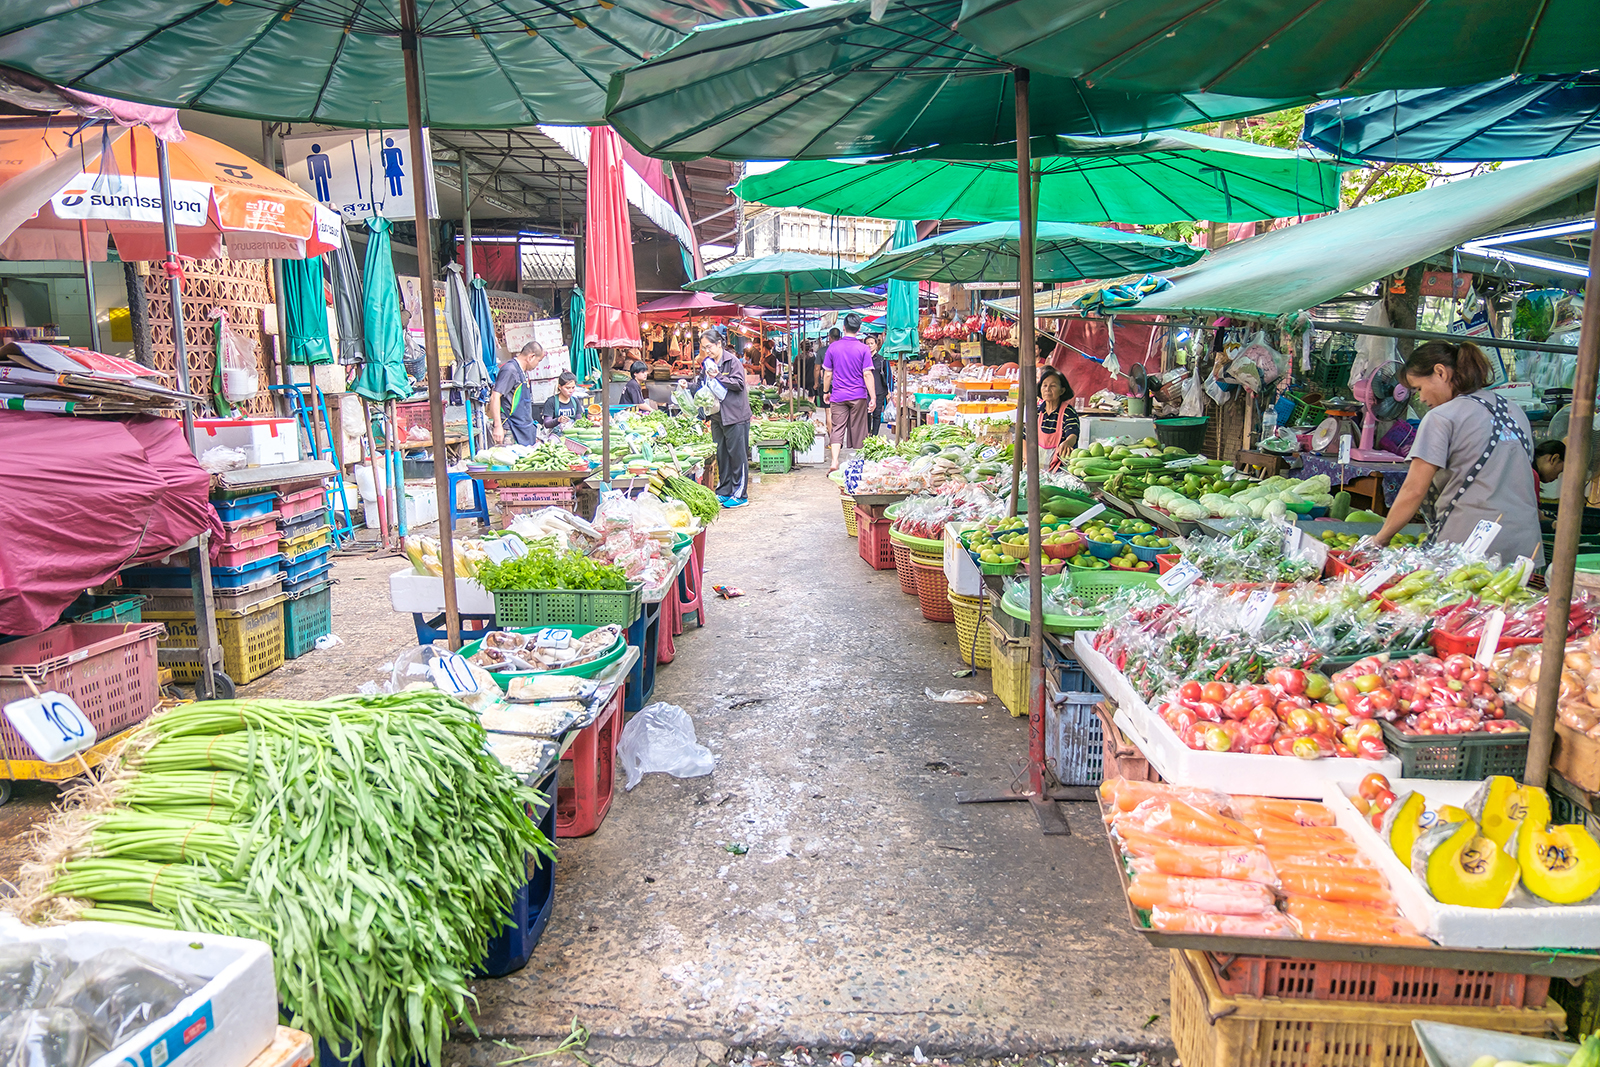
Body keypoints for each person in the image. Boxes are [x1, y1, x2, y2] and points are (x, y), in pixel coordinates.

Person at [1373, 341, 1542, 562]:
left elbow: (1413, 490)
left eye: (1419, 389)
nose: (1421, 398)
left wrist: (1380, 540)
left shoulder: (1441, 417)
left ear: (1440, 372)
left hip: (1468, 550)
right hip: (1526, 549)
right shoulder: (1516, 412)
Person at [699, 329, 751, 508]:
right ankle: (724, 490)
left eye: (709, 347)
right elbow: (702, 384)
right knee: (722, 455)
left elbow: (738, 384)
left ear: (719, 344)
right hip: (717, 416)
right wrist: (687, 386)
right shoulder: (708, 363)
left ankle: (740, 495)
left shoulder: (732, 361)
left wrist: (718, 376)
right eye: (704, 348)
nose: (707, 351)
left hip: (735, 416)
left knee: (738, 456)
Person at [823, 314, 876, 471]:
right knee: (859, 429)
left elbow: (827, 373)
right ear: (859, 329)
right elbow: (867, 374)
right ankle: (859, 463)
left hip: (838, 395)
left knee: (837, 427)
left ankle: (834, 462)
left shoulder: (833, 347)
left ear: (843, 328)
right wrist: (873, 397)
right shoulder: (864, 349)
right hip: (858, 395)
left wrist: (826, 391)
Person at [489, 341, 543, 446]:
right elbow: (495, 397)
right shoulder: (510, 370)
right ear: (531, 357)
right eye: (538, 361)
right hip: (511, 429)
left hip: (523, 428)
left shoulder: (522, 372)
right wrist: (498, 426)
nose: (537, 365)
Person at [1035, 367, 1080, 472]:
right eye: (1044, 385)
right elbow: (1025, 436)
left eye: (1053, 386)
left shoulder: (1068, 412)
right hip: (1037, 469)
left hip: (1061, 471)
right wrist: (1026, 459)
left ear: (1062, 391)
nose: (1047, 389)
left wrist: (1067, 443)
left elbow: (1073, 433)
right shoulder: (1037, 412)